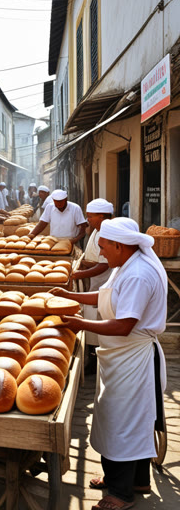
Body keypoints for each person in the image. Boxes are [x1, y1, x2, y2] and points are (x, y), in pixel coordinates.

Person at [51, 217, 167, 510]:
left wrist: (80, 324)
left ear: (119, 245)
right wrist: (70, 295)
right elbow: (107, 299)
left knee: (125, 423)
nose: (101, 253)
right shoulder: (125, 266)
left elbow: (124, 324)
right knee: (128, 421)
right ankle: (133, 481)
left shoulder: (138, 274)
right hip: (121, 357)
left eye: (104, 247)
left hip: (133, 359)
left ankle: (121, 493)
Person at [71, 198, 113, 373]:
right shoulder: (96, 230)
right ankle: (92, 357)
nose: (87, 219)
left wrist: (80, 273)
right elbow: (95, 258)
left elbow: (104, 265)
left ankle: (96, 362)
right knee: (91, 318)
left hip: (103, 284)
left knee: (98, 321)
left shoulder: (107, 234)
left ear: (102, 216)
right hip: (94, 284)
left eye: (90, 216)